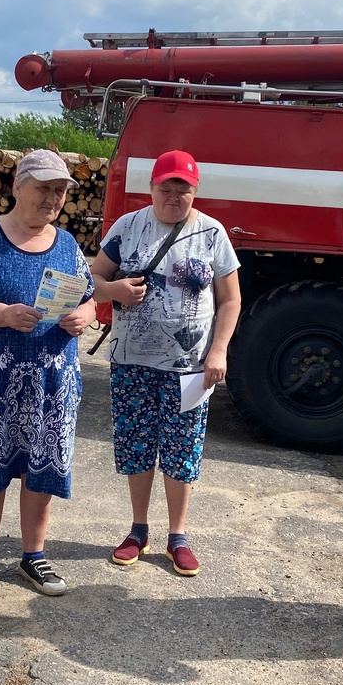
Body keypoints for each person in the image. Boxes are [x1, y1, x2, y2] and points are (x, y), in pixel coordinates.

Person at [0, 149, 96, 605]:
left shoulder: (67, 244)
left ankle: (34, 555)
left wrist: (85, 317)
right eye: (43, 188)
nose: (52, 198)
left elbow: (89, 298)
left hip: (51, 383)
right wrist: (4, 315)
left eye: (60, 190)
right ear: (16, 186)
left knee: (41, 469)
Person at [90, 149, 242, 577]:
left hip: (190, 368)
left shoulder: (212, 233)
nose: (174, 196)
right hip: (131, 361)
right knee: (137, 446)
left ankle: (178, 536)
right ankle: (138, 530)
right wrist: (115, 290)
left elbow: (230, 300)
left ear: (195, 191)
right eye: (166, 187)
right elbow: (93, 280)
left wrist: (219, 350)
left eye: (183, 189)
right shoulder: (127, 227)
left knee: (181, 450)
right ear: (152, 187)